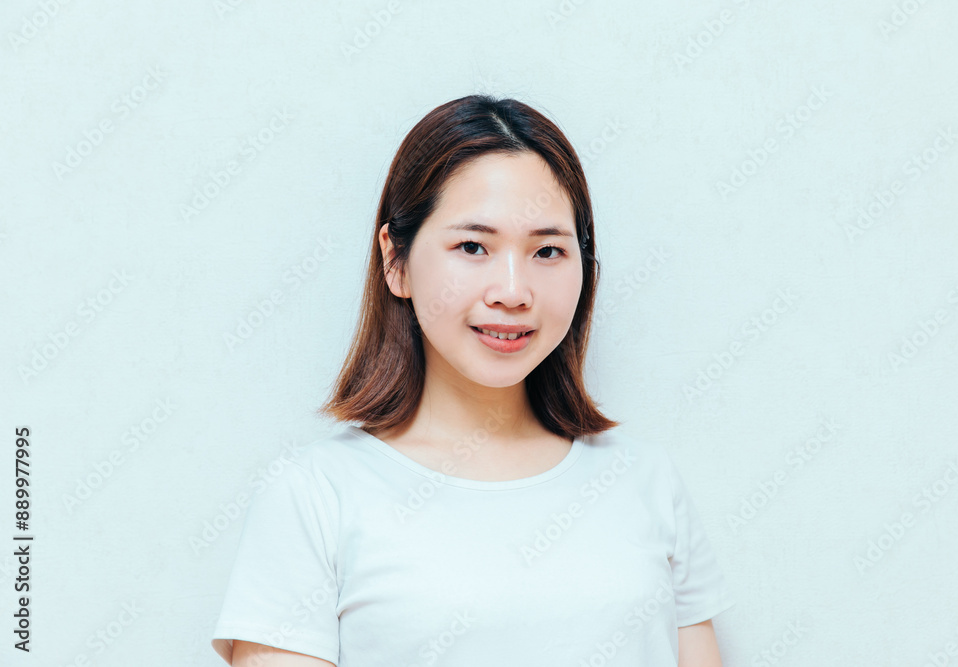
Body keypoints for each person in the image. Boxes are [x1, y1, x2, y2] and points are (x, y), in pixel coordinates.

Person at [209, 94, 736, 667]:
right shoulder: (314, 496)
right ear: (396, 262)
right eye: (472, 246)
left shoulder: (645, 481)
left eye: (548, 250)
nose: (512, 291)